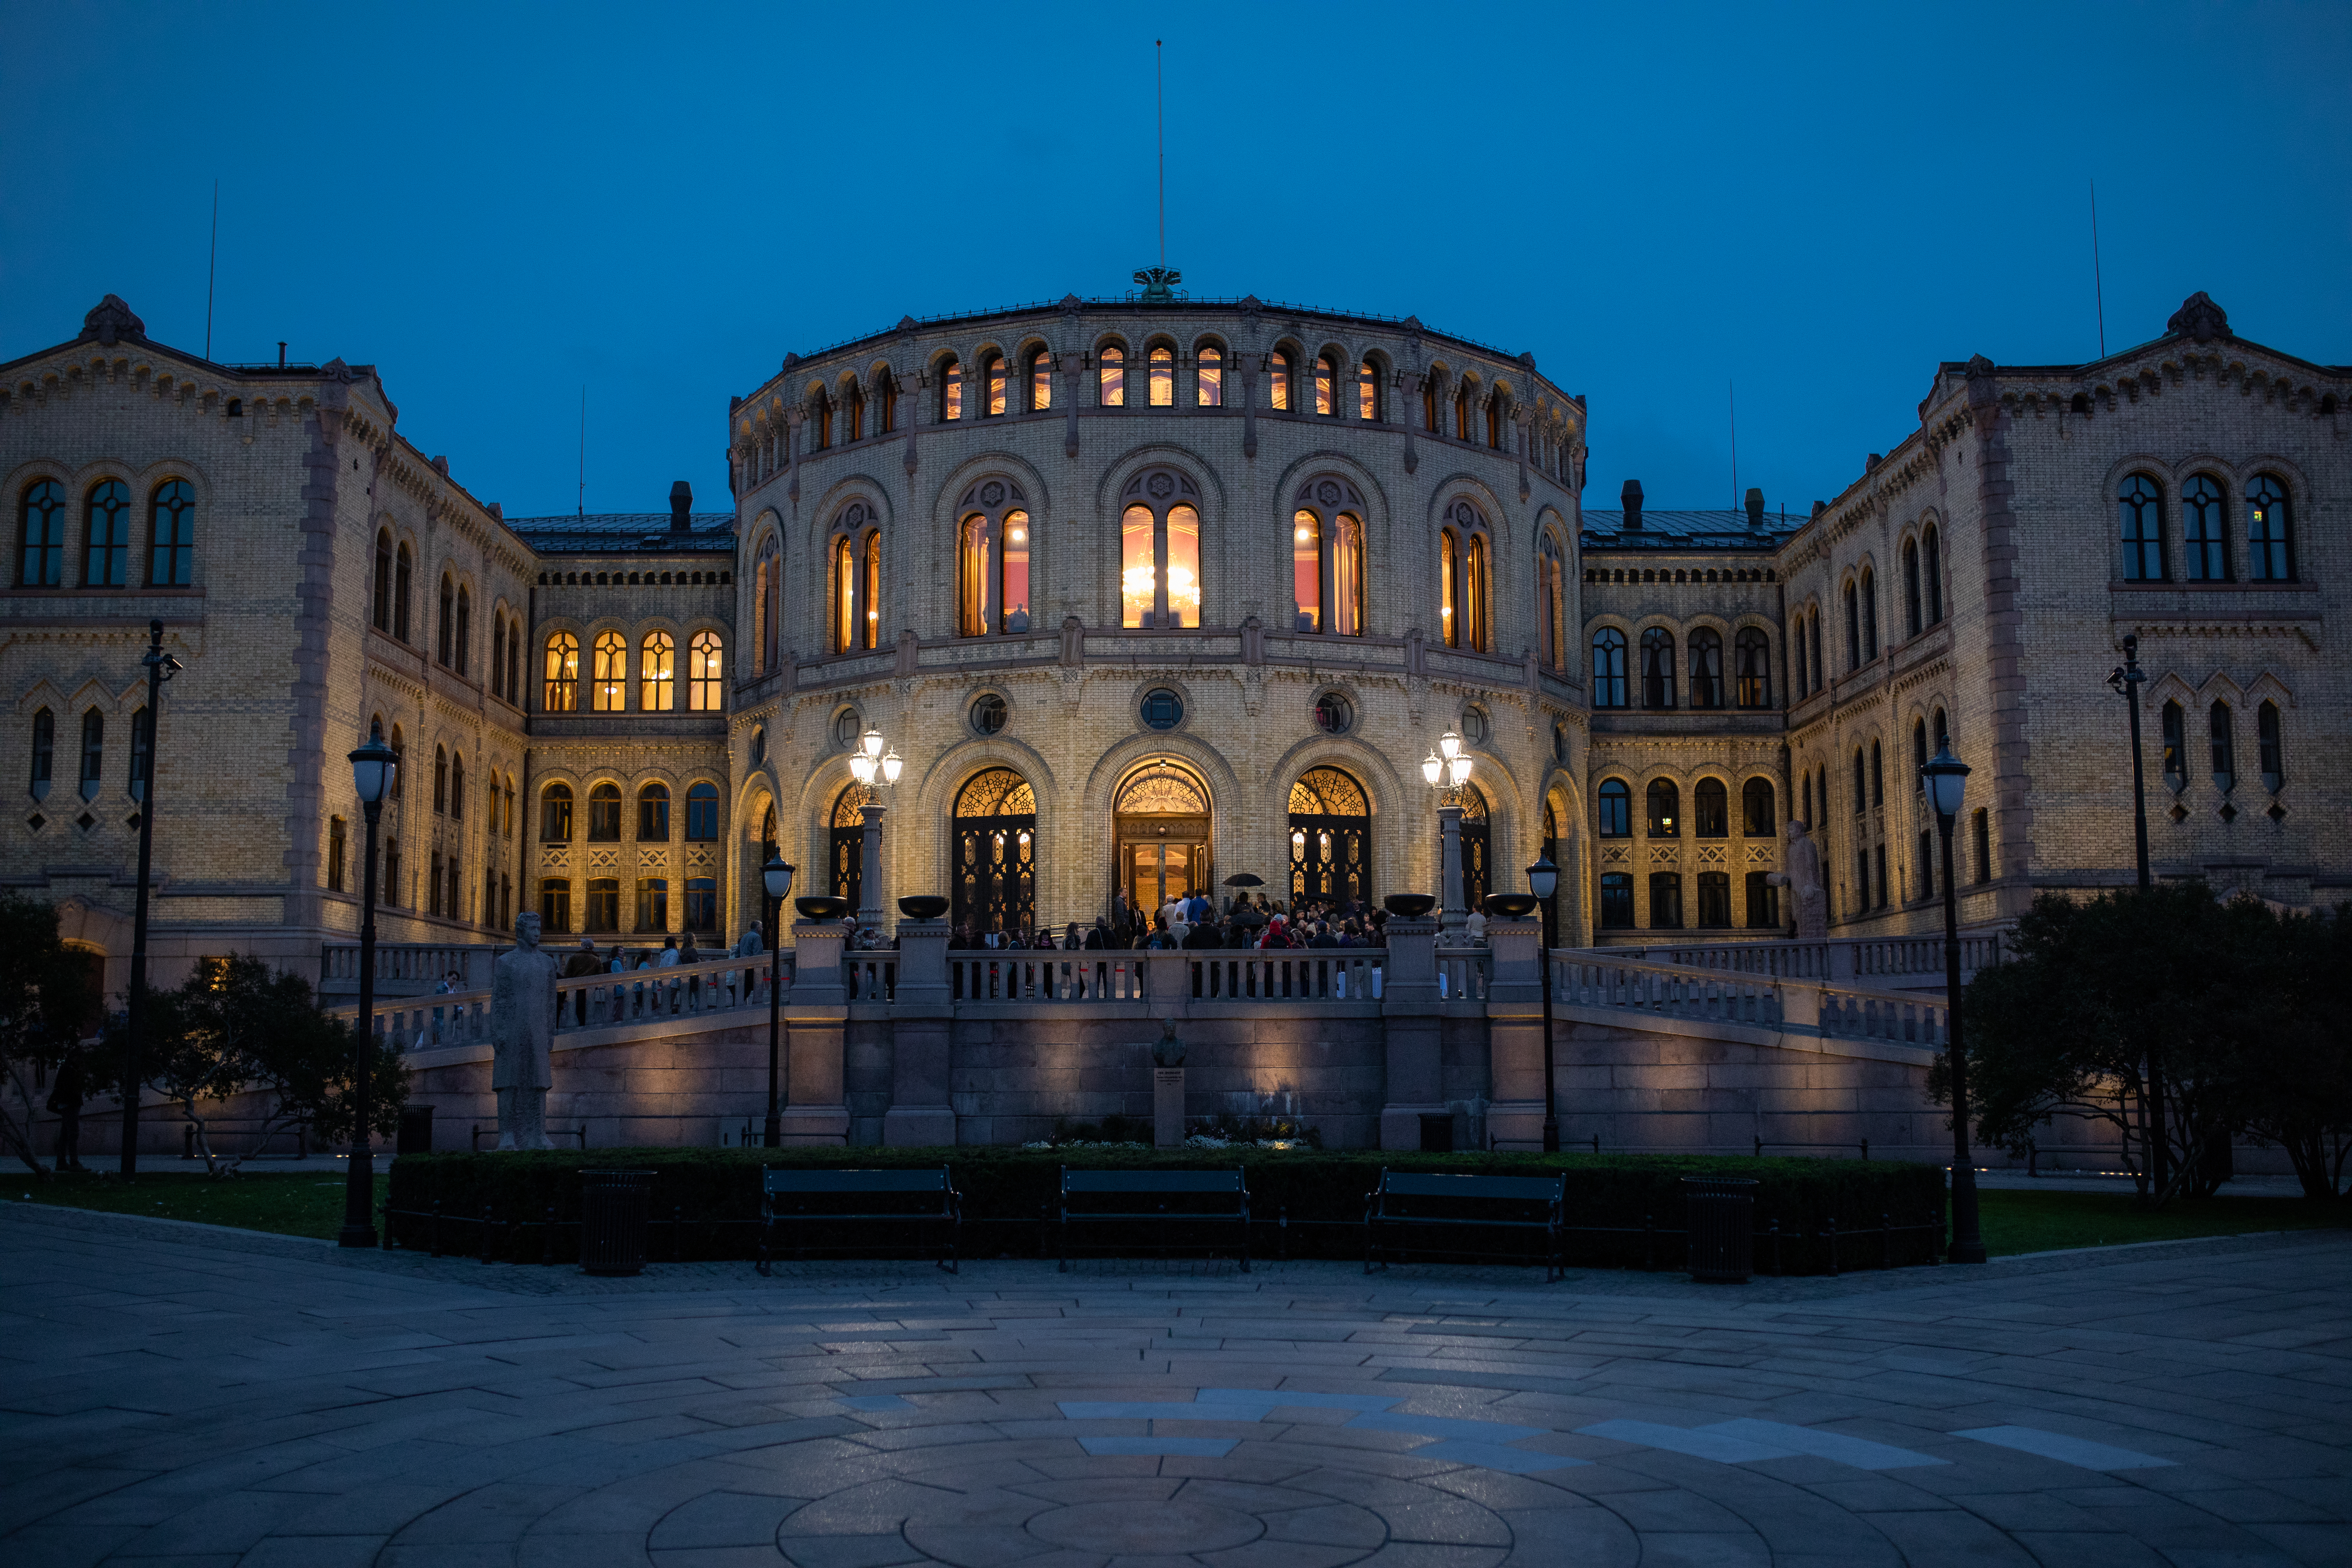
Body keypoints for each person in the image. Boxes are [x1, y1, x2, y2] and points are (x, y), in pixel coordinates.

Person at [46, 1041, 86, 1172]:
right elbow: (66, 1088)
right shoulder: (68, 1069)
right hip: (69, 1104)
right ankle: (73, 1163)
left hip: (70, 1103)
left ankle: (62, 1162)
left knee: (65, 1133)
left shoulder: (70, 1068)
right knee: (73, 1133)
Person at [564, 937, 603, 1026]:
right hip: (591, 988)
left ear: (584, 946)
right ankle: (587, 1024)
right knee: (589, 1007)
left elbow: (567, 973)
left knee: (579, 1008)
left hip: (577, 987)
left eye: (582, 944)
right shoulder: (596, 959)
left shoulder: (574, 957)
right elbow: (601, 975)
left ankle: (582, 1023)